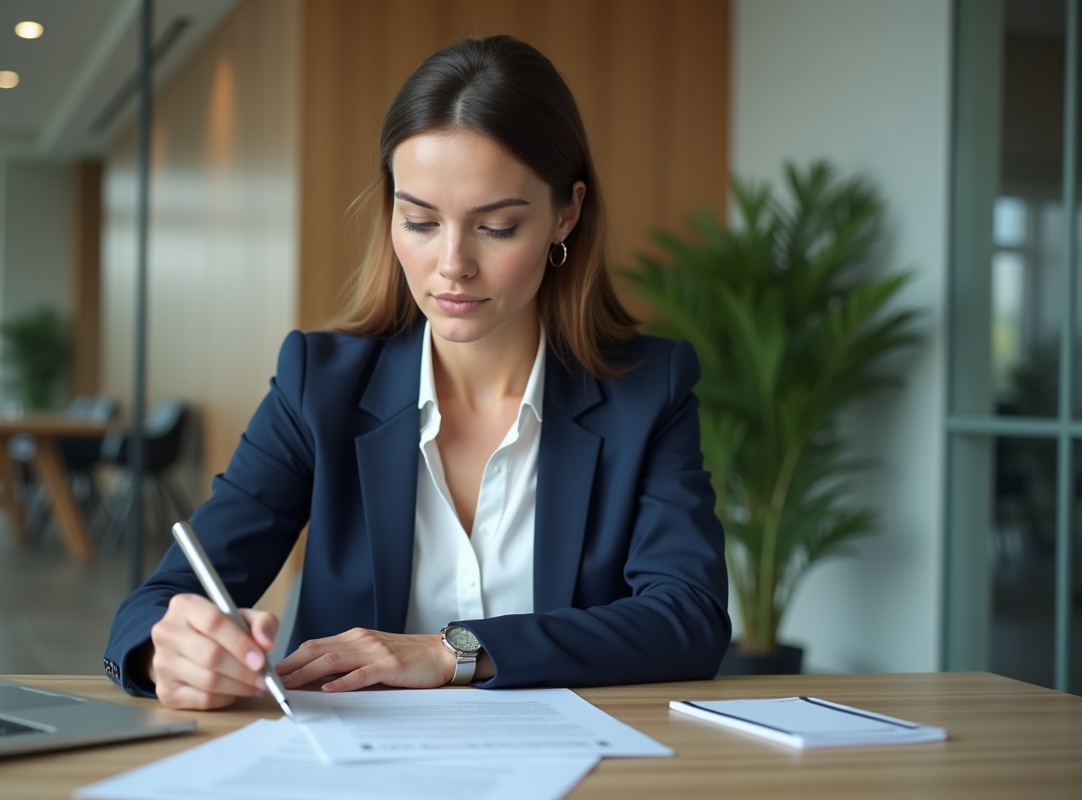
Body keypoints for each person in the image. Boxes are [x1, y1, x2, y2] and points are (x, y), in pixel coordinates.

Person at [104, 34, 730, 710]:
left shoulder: (648, 388)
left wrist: (449, 651)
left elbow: (687, 618)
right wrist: (170, 648)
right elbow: (158, 602)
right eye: (421, 221)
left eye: (495, 227)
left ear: (566, 214)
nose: (452, 264)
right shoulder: (320, 384)